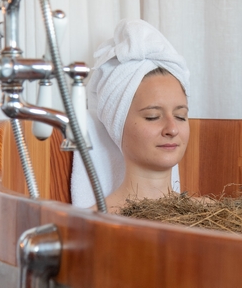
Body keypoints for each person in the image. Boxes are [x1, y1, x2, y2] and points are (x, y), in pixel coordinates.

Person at [70, 19, 190, 213]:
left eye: (180, 116)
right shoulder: (94, 225)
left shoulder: (215, 215)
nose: (172, 129)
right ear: (116, 124)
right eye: (152, 116)